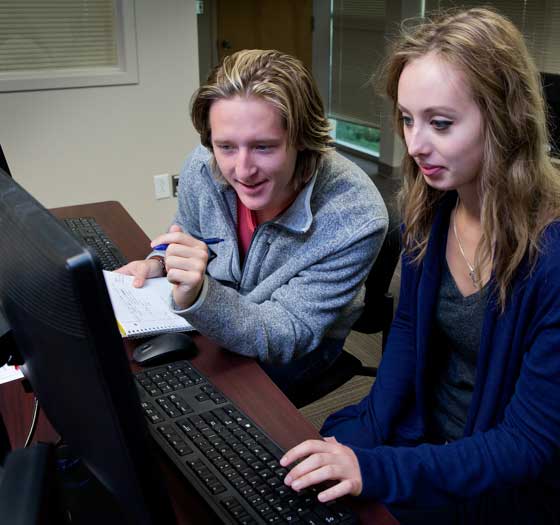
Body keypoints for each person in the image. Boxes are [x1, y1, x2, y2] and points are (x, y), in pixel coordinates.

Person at [280, 8, 560, 523]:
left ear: (506, 119)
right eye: (407, 119)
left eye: (441, 123)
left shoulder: (552, 256)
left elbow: (528, 443)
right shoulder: (433, 210)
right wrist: (362, 442)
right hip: (423, 439)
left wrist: (377, 470)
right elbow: (406, 332)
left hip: (498, 477)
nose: (414, 144)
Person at [118, 49, 388, 396]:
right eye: (226, 146)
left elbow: (287, 332)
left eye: (263, 147)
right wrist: (159, 261)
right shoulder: (204, 164)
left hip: (298, 343)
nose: (242, 171)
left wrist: (201, 295)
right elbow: (185, 229)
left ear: (302, 141)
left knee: (195, 405)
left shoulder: (354, 215)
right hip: (222, 307)